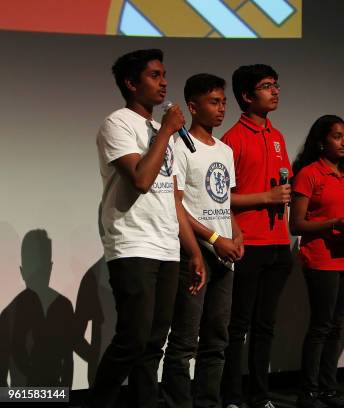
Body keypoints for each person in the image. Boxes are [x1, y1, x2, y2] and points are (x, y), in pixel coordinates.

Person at [92, 49, 205, 408]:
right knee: (133, 339)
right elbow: (141, 179)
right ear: (131, 83)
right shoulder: (117, 123)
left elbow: (172, 199)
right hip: (132, 243)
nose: (164, 83)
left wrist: (194, 251)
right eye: (155, 76)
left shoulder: (162, 131)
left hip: (166, 245)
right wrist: (167, 132)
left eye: (164, 75)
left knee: (154, 343)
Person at [161, 73, 243, 408]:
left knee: (216, 339)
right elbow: (175, 202)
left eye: (224, 101)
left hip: (224, 254)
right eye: (214, 101)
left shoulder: (224, 150)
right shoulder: (178, 147)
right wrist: (212, 238)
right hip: (195, 253)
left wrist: (236, 233)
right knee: (184, 341)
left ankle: (208, 401)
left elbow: (223, 202)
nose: (222, 108)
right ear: (193, 107)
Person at [220, 64, 293, 408]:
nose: (275, 90)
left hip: (279, 243)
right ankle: (232, 396)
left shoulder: (277, 137)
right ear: (247, 96)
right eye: (266, 86)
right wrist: (265, 198)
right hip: (248, 244)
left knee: (266, 326)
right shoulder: (232, 140)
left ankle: (259, 396)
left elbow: (283, 187)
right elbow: (220, 197)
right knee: (239, 326)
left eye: (276, 85)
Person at [290, 115, 344, 408]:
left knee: (335, 325)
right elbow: (296, 225)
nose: (343, 142)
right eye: (337, 136)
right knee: (321, 326)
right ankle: (308, 391)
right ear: (322, 141)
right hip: (321, 258)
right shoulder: (309, 174)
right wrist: (332, 223)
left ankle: (328, 389)